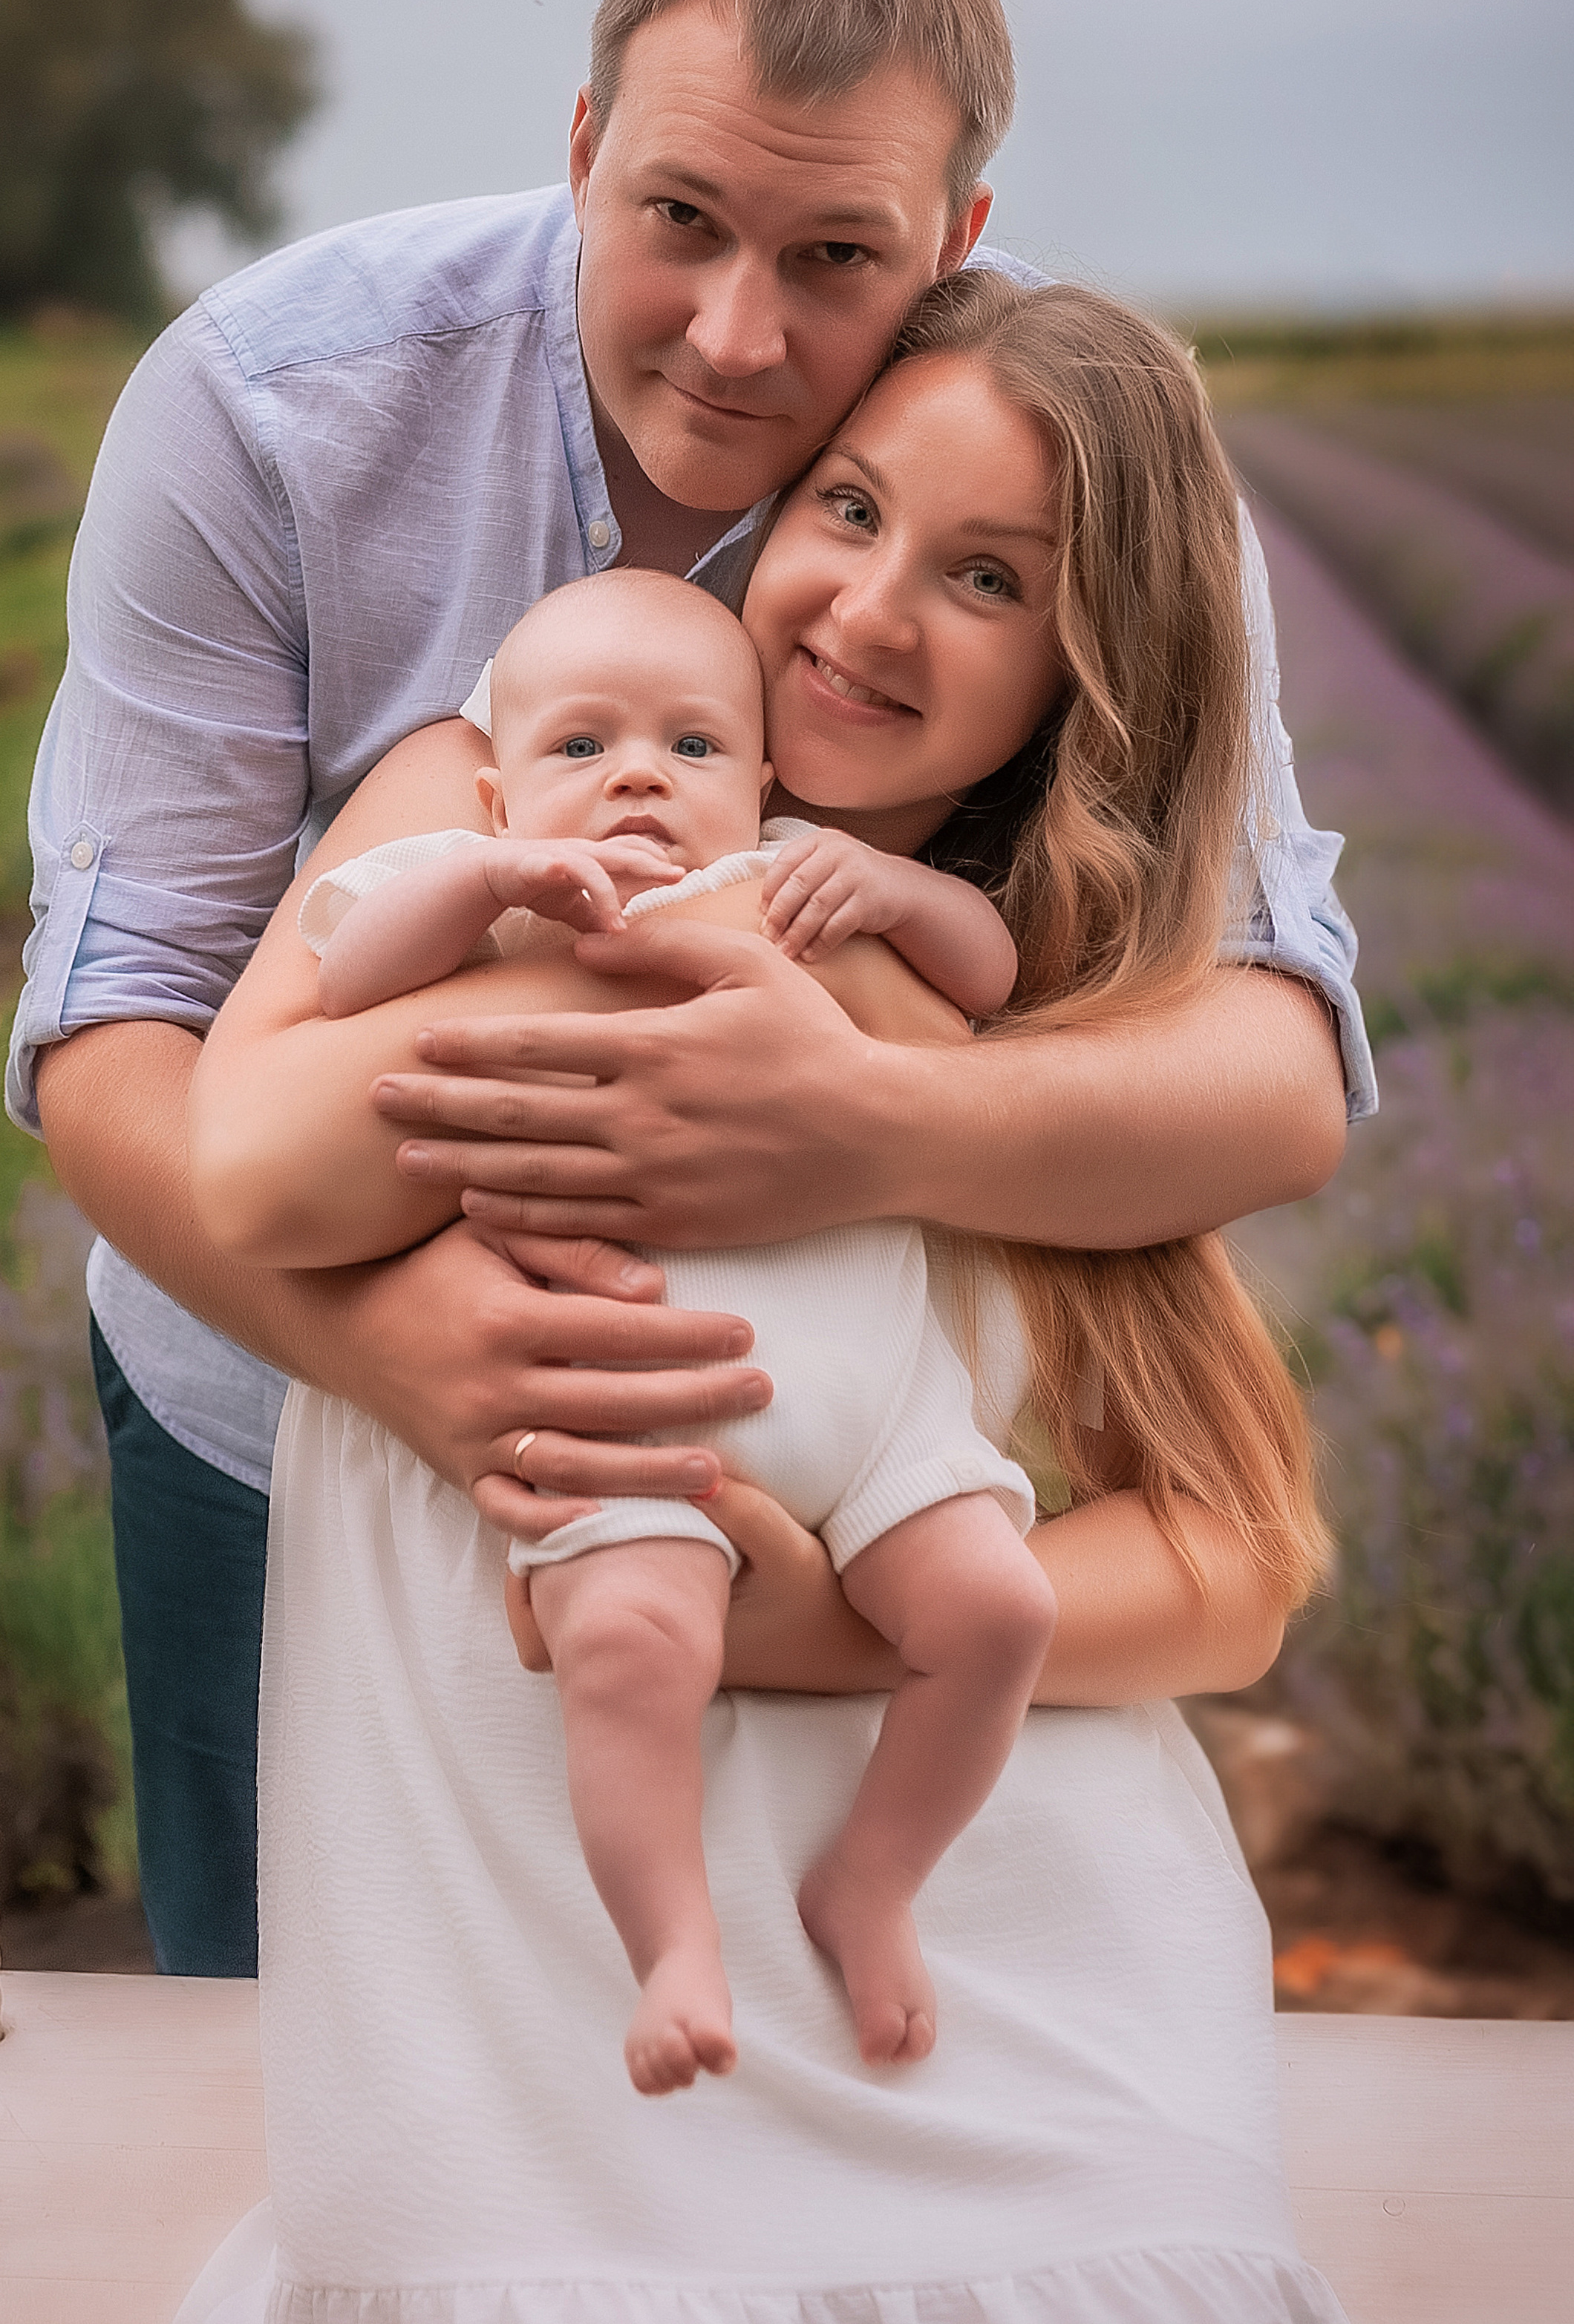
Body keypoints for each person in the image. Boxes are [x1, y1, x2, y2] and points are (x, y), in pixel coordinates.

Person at [10, 0, 1373, 1977]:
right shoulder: (272, 413)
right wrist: (404, 1353)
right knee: (293, 2041)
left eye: (836, 255)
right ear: (579, 152)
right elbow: (116, 1043)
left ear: (954, 246)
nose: (741, 337)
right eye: (677, 222)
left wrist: (868, 1129)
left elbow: (1277, 1055)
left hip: (826, 1441)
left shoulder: (1052, 459)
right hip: (272, 1404)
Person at [173, 275, 1343, 2322]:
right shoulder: (507, 795)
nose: (873, 613)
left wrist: (816, 1619)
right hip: (558, 2069)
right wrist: (746, 980)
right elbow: (263, 1165)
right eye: (849, 509)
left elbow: (1237, 1565)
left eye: (991, 579)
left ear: (1085, 670)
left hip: (1027, 2025)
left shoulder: (1073, 1022)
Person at [288, 566, 1055, 2089]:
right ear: (500, 786)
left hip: (875, 1392)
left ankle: (871, 1878)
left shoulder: (786, 876)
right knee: (631, 1647)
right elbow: (340, 973)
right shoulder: (479, 884)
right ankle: (671, 1943)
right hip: (642, 1395)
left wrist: (896, 892)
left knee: (997, 1614)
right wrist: (487, 884)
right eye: (582, 748)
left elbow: (985, 974)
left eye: (693, 746)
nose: (640, 775)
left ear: (762, 777)